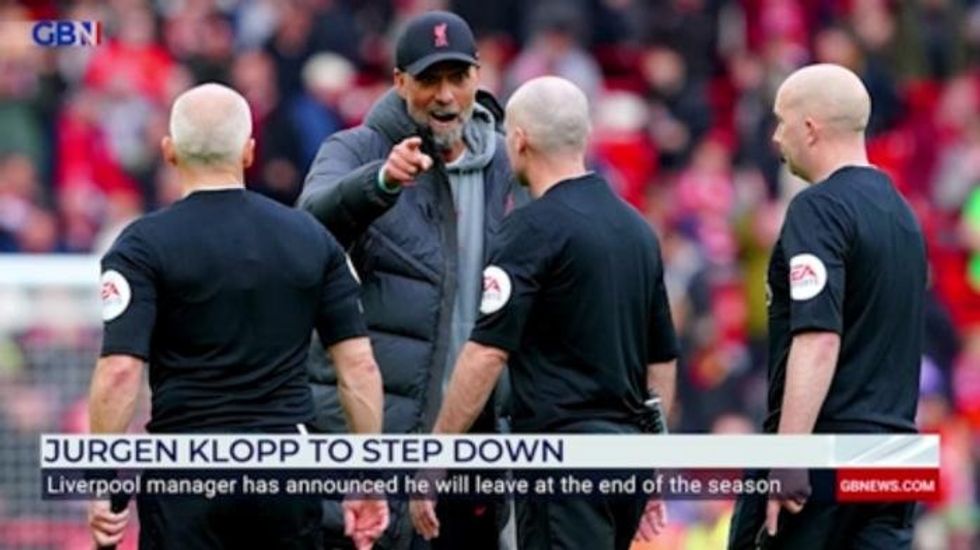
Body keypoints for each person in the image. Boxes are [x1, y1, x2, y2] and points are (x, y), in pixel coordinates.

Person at [87, 83, 387, 550]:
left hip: (186, 469)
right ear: (249, 151)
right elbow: (359, 367)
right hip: (285, 468)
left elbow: (120, 371)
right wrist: (368, 478)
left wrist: (102, 480)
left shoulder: (140, 246)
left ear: (169, 151)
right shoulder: (310, 238)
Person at [408, 76, 678, 550]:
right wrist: (652, 463)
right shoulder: (637, 231)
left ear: (519, 139)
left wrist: (436, 457)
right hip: (628, 459)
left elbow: (486, 354)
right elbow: (662, 363)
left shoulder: (530, 231)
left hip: (563, 462)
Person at [297, 10, 523, 549]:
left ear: (478, 75)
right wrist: (378, 184)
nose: (445, 96)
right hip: (383, 441)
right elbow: (306, 229)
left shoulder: (510, 163)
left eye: (457, 77)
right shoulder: (356, 149)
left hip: (475, 443)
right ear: (399, 82)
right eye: (428, 80)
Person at [727, 64, 926, 549]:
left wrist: (790, 456)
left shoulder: (818, 209)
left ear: (810, 128)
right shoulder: (903, 217)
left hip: (826, 450)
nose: (776, 137)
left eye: (782, 122)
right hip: (895, 458)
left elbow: (818, 338)